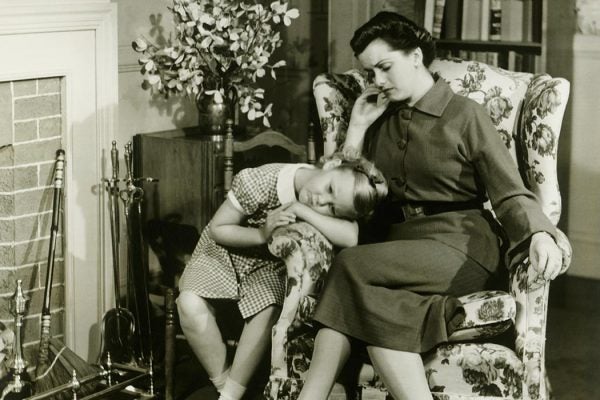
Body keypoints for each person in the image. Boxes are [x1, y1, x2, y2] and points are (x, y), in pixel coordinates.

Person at [296, 11, 564, 400]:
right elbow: (347, 192)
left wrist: (539, 232)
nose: (379, 82)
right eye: (371, 73)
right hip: (400, 249)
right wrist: (356, 128)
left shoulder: (465, 114)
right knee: (381, 321)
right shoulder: (378, 116)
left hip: (461, 244)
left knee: (349, 266)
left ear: (417, 55)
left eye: (385, 67)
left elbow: (509, 191)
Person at [176, 153, 388, 400]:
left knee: (268, 307)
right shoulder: (261, 181)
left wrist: (299, 209)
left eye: (331, 208)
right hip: (224, 251)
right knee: (188, 304)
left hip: (266, 263)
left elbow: (350, 237)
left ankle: (231, 394)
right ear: (331, 165)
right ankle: (225, 386)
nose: (320, 200)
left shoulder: (314, 200)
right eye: (329, 188)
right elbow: (219, 229)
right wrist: (260, 233)